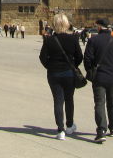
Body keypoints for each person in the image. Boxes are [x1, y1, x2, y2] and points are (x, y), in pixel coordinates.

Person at [84, 18, 113, 143]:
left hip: (98, 77)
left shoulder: (93, 40)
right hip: (112, 78)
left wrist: (90, 71)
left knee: (99, 103)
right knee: (112, 103)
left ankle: (101, 130)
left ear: (99, 27)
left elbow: (87, 59)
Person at [39, 13, 83, 141]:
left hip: (54, 74)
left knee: (58, 101)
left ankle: (60, 130)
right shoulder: (73, 39)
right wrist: (73, 66)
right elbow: (79, 57)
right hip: (69, 74)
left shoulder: (49, 40)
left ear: (54, 25)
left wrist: (50, 67)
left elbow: (42, 58)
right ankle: (69, 126)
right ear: (67, 24)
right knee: (69, 99)